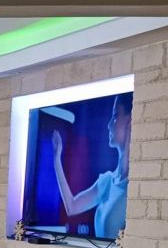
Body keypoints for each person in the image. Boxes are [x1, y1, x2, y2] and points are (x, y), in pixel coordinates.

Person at [51, 95, 131, 239]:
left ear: (130, 120)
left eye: (115, 116)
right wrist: (56, 159)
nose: (109, 125)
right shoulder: (107, 181)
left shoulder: (137, 187)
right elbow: (72, 206)